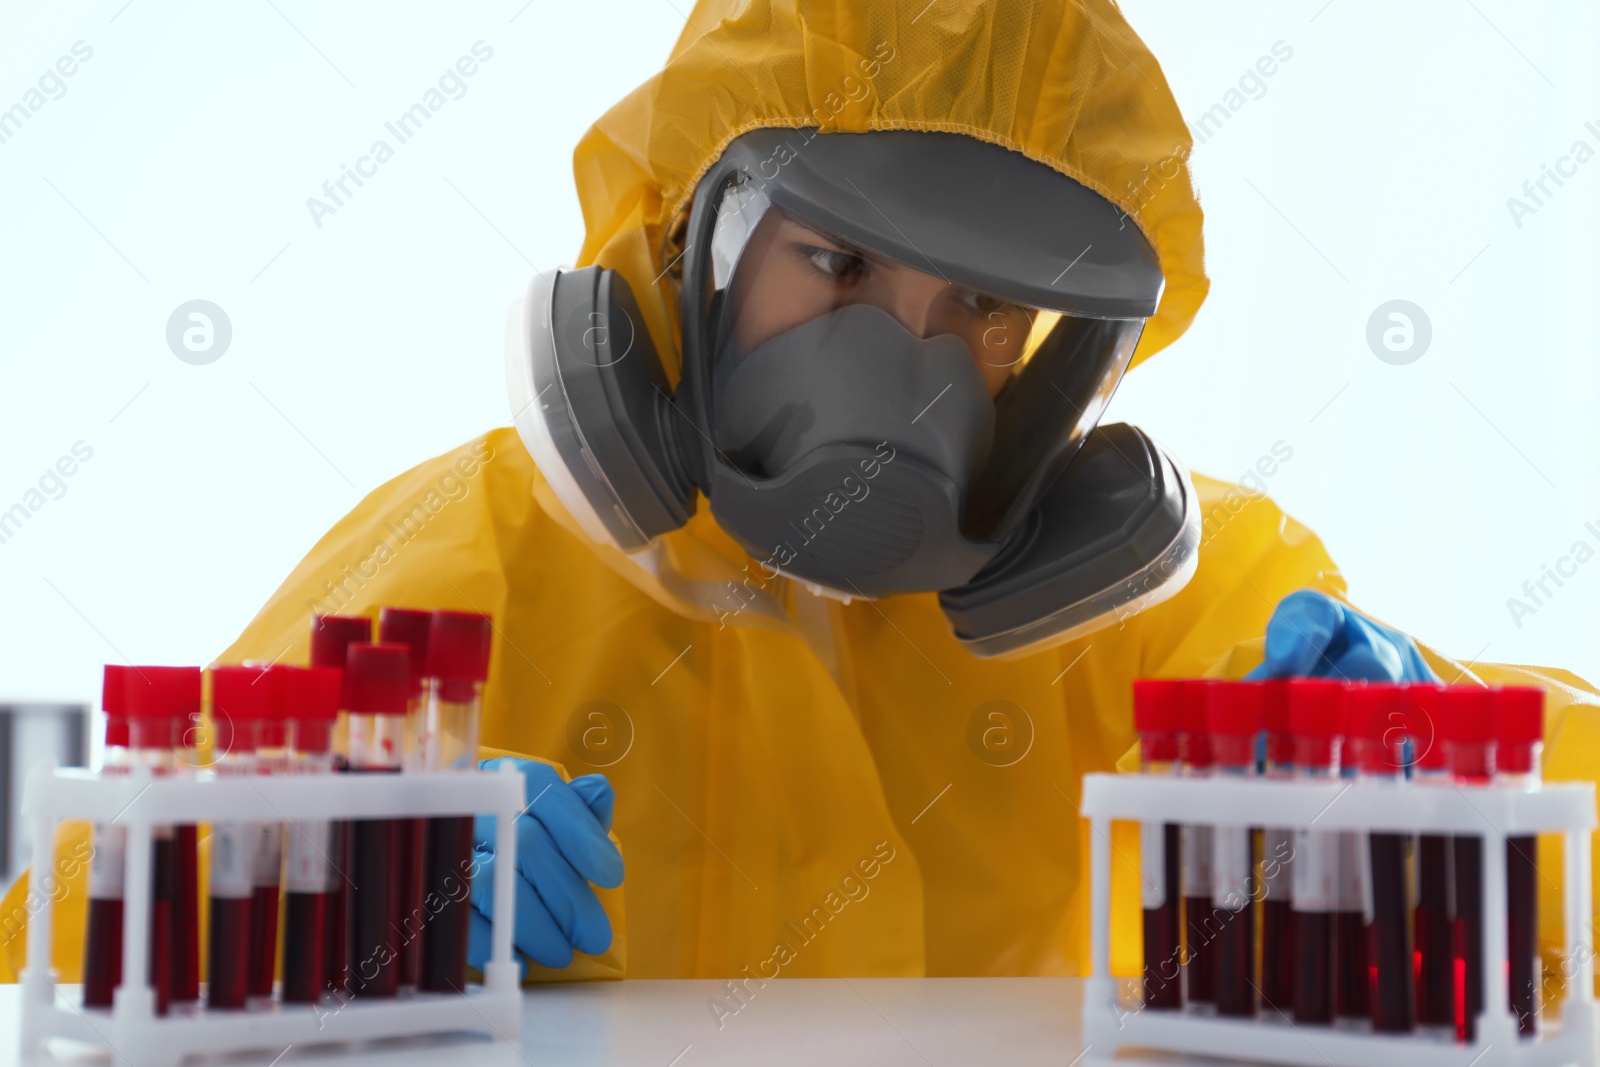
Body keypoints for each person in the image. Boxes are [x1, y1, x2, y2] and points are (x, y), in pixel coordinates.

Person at [5, 0, 1596, 990]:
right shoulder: (475, 562)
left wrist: (1457, 772)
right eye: (834, 261)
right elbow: (53, 930)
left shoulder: (1183, 614)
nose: (906, 368)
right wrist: (332, 890)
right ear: (695, 238)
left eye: (979, 312)